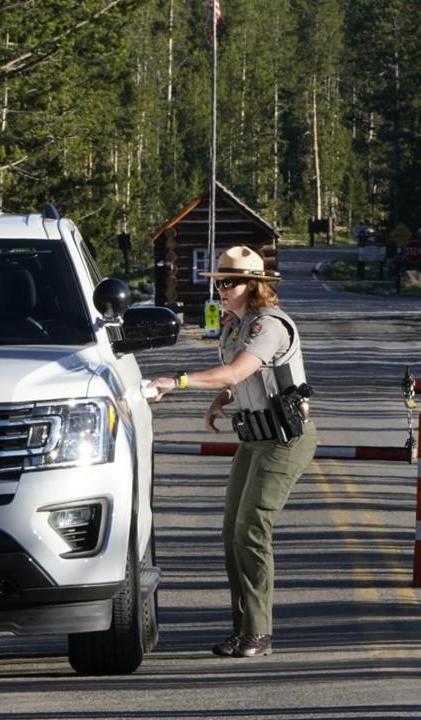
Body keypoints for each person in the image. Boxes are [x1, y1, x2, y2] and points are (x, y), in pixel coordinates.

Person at [148, 245, 318, 659]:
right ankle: (243, 629)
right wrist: (222, 398)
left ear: (254, 285)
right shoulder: (235, 325)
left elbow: (239, 369)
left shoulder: (268, 325)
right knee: (231, 533)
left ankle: (259, 633)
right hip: (254, 436)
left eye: (230, 283)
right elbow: (239, 380)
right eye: (218, 283)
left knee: (252, 530)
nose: (221, 290)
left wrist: (177, 381)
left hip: (285, 439)